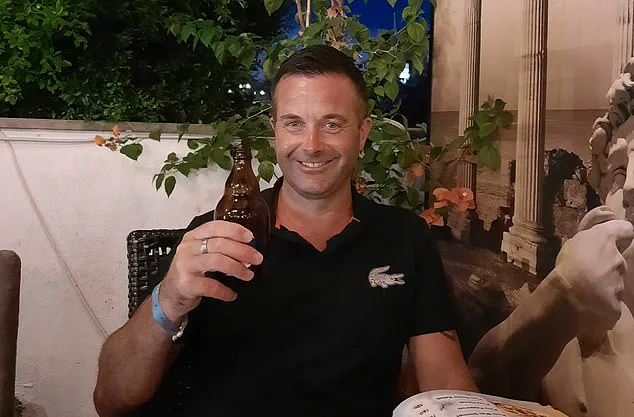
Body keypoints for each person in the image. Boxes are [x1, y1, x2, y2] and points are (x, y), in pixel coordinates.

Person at [93, 45, 477, 417]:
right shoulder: (218, 237)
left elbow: (446, 383)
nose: (311, 145)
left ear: (362, 133)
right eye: (294, 123)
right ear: (275, 131)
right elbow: (112, 400)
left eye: (332, 124)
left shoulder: (405, 237)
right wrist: (170, 299)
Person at [468, 60, 634, 417]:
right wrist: (561, 296)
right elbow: (476, 389)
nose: (631, 188)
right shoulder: (579, 319)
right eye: (620, 172)